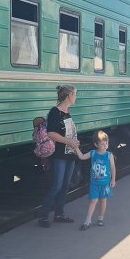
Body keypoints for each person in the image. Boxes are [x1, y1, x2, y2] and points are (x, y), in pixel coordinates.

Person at [38, 85, 80, 228]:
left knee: (65, 185)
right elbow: (51, 133)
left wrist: (74, 143)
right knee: (57, 185)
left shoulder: (67, 112)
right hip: (59, 155)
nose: (76, 97)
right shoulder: (55, 112)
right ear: (69, 96)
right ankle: (43, 216)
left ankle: (59, 214)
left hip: (70, 154)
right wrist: (69, 141)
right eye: (75, 94)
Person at [75, 130, 116, 230]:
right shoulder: (93, 153)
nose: (105, 145)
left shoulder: (109, 155)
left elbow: (113, 168)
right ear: (96, 144)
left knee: (103, 201)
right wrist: (76, 148)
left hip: (105, 183)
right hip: (94, 183)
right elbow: (82, 157)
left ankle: (100, 218)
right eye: (102, 143)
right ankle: (87, 221)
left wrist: (113, 179)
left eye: (106, 142)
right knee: (93, 201)